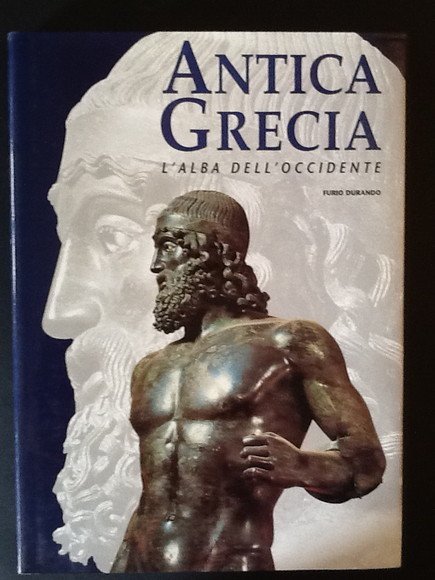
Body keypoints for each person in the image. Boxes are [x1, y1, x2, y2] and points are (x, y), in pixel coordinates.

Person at [111, 189, 386, 573]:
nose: (155, 265)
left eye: (168, 246)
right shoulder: (150, 367)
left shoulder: (290, 341)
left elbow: (366, 465)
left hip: (232, 563)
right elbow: (152, 500)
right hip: (138, 566)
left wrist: (302, 466)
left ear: (213, 251)